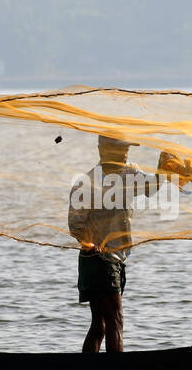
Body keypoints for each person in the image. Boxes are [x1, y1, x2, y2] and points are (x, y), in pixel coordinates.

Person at [68, 135, 178, 353]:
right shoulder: (87, 182)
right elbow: (75, 224)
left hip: (117, 259)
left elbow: (152, 186)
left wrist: (163, 167)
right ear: (103, 150)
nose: (125, 154)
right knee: (115, 320)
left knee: (100, 323)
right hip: (97, 259)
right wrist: (90, 244)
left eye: (126, 149)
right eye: (120, 149)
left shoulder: (129, 174)